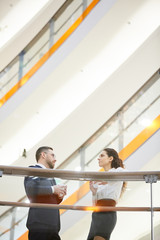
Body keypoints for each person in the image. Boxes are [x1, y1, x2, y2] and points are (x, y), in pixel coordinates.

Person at [24, 146, 67, 240]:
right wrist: (53, 189)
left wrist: (60, 195)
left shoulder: (50, 176)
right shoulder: (33, 169)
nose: (55, 159)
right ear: (43, 155)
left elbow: (52, 200)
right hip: (39, 225)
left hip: (53, 227)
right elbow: (30, 189)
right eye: (52, 155)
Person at [86, 148, 127, 240]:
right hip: (96, 213)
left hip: (107, 212)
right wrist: (94, 192)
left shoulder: (118, 171)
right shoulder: (100, 177)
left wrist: (102, 178)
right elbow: (95, 203)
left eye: (102, 155)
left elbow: (122, 173)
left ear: (110, 158)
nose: (98, 158)